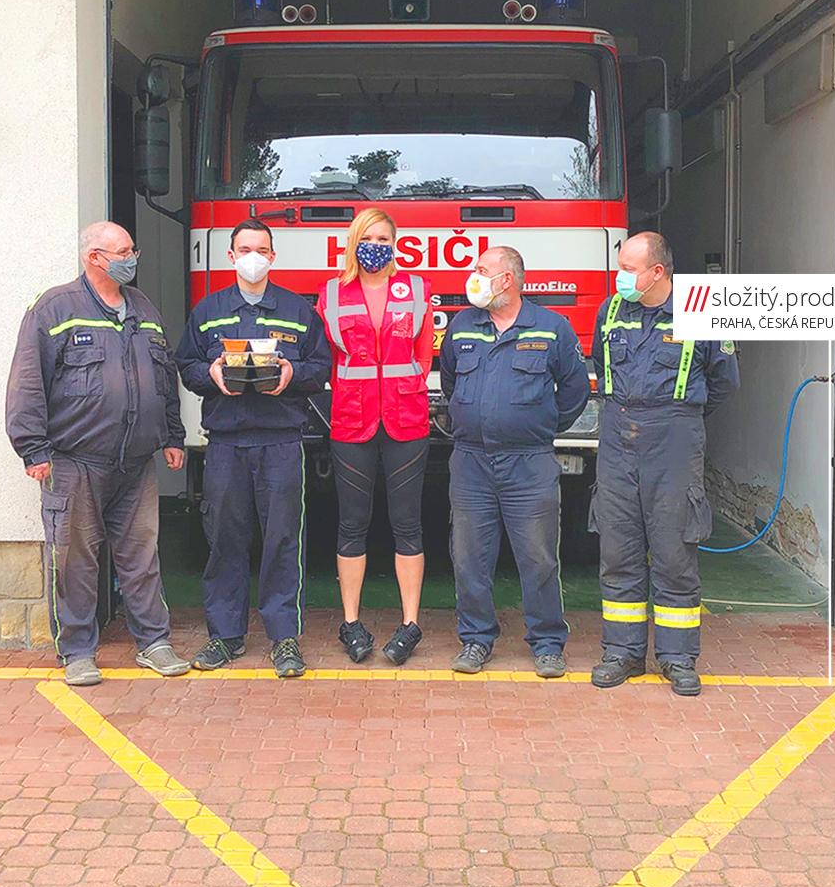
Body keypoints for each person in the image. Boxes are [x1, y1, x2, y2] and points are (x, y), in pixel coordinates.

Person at [5, 221, 189, 686]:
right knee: (74, 560)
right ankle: (77, 651)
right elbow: (28, 382)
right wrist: (33, 449)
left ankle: (154, 642)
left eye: (133, 249)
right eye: (124, 252)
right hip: (73, 461)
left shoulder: (142, 308)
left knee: (141, 556)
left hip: (136, 461)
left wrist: (172, 435)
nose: (133, 258)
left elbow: (163, 379)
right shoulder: (54, 308)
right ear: (95, 257)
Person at [175, 219, 331, 678]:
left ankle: (284, 639)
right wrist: (212, 375)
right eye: (245, 248)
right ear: (231, 256)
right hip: (225, 443)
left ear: (273, 257)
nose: (253, 256)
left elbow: (322, 365)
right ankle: (224, 637)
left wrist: (291, 373)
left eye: (261, 249)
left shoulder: (298, 311)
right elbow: (186, 364)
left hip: (280, 441)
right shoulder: (208, 310)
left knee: (283, 540)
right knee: (225, 540)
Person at [589, 232, 739, 696]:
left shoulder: (703, 311)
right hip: (617, 435)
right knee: (619, 550)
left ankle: (676, 658)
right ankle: (623, 652)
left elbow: (724, 383)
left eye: (630, 268)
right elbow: (599, 361)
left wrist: (678, 417)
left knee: (674, 553)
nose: (621, 276)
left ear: (658, 272)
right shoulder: (610, 311)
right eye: (621, 266)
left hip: (674, 438)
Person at [440, 246, 589, 676]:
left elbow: (574, 391)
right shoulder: (463, 325)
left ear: (507, 280)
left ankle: (547, 643)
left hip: (529, 463)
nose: (473, 276)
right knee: (469, 557)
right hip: (471, 462)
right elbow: (450, 380)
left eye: (482, 270)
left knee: (538, 557)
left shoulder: (551, 327)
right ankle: (475, 640)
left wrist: (538, 425)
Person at [317, 208, 433, 665]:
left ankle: (410, 624)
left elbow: (423, 356)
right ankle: (351, 623)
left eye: (384, 237)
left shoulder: (418, 289)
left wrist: (407, 390)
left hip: (406, 418)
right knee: (352, 523)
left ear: (396, 243)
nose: (377, 245)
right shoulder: (330, 292)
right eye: (369, 237)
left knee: (408, 524)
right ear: (354, 242)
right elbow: (328, 356)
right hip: (352, 419)